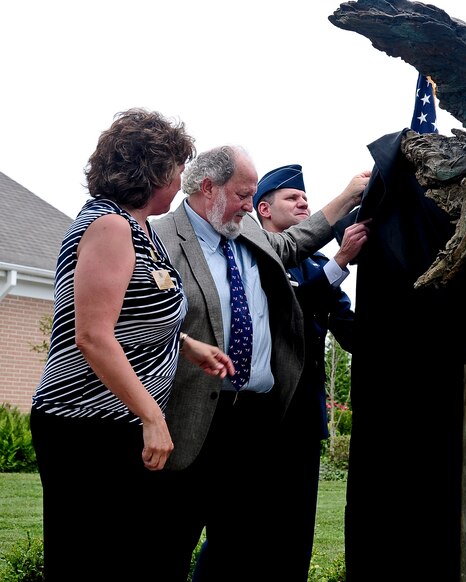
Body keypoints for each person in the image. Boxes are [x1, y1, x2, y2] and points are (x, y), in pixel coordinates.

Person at [29, 108, 235, 581]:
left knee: (129, 558)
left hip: (116, 421)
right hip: (87, 426)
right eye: (179, 167)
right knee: (94, 559)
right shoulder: (110, 227)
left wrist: (185, 344)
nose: (184, 177)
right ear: (154, 168)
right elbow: (92, 335)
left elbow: (131, 315)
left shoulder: (138, 226)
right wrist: (152, 416)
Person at [152, 145, 369, 579]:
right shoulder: (159, 236)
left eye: (254, 197)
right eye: (243, 195)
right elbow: (139, 321)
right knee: (166, 548)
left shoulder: (246, 232)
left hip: (252, 424)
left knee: (242, 550)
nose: (250, 206)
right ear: (208, 188)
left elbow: (296, 241)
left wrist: (348, 197)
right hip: (191, 421)